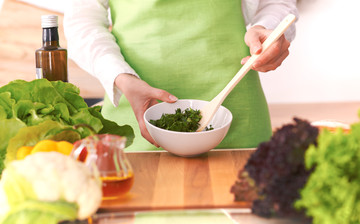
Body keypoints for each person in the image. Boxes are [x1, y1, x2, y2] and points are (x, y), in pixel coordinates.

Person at [64, 0, 298, 151]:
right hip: (136, 116)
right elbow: (82, 20)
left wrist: (269, 29)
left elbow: (275, 3)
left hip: (236, 114)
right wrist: (121, 76)